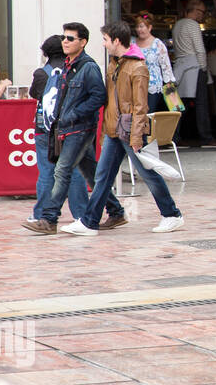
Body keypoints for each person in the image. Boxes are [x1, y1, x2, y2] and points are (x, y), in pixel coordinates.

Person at [62, 21, 184, 236]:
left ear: (116, 41)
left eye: (106, 40)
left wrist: (136, 137)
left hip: (129, 131)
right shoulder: (114, 64)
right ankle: (89, 222)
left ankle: (172, 214)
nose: (104, 44)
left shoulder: (138, 67)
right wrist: (105, 131)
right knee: (103, 176)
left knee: (148, 174)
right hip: (114, 130)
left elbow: (140, 107)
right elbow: (110, 101)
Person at [21, 22, 112, 235]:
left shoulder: (87, 67)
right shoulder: (67, 67)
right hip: (65, 128)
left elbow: (99, 96)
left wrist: (73, 114)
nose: (65, 41)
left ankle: (48, 219)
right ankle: (114, 211)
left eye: (70, 38)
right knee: (91, 173)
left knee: (62, 171)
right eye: (64, 38)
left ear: (83, 42)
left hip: (78, 129)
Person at [27, 35, 89, 224]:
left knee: (47, 171)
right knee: (75, 170)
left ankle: (42, 215)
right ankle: (81, 214)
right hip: (70, 127)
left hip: (45, 129)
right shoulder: (75, 70)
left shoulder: (41, 73)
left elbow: (33, 94)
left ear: (45, 52)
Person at [172, 0, 216, 148]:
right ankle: (206, 137)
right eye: (202, 12)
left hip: (180, 68)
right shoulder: (193, 25)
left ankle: (175, 136)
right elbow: (200, 49)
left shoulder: (177, 25)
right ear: (194, 10)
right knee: (202, 104)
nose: (204, 15)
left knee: (178, 105)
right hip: (195, 67)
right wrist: (204, 68)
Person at [134, 13, 176, 114]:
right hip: (135, 85)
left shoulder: (158, 44)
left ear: (150, 27)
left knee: (148, 114)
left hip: (152, 87)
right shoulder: (133, 44)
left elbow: (166, 67)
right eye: (137, 27)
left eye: (142, 26)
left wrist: (169, 85)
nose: (139, 29)